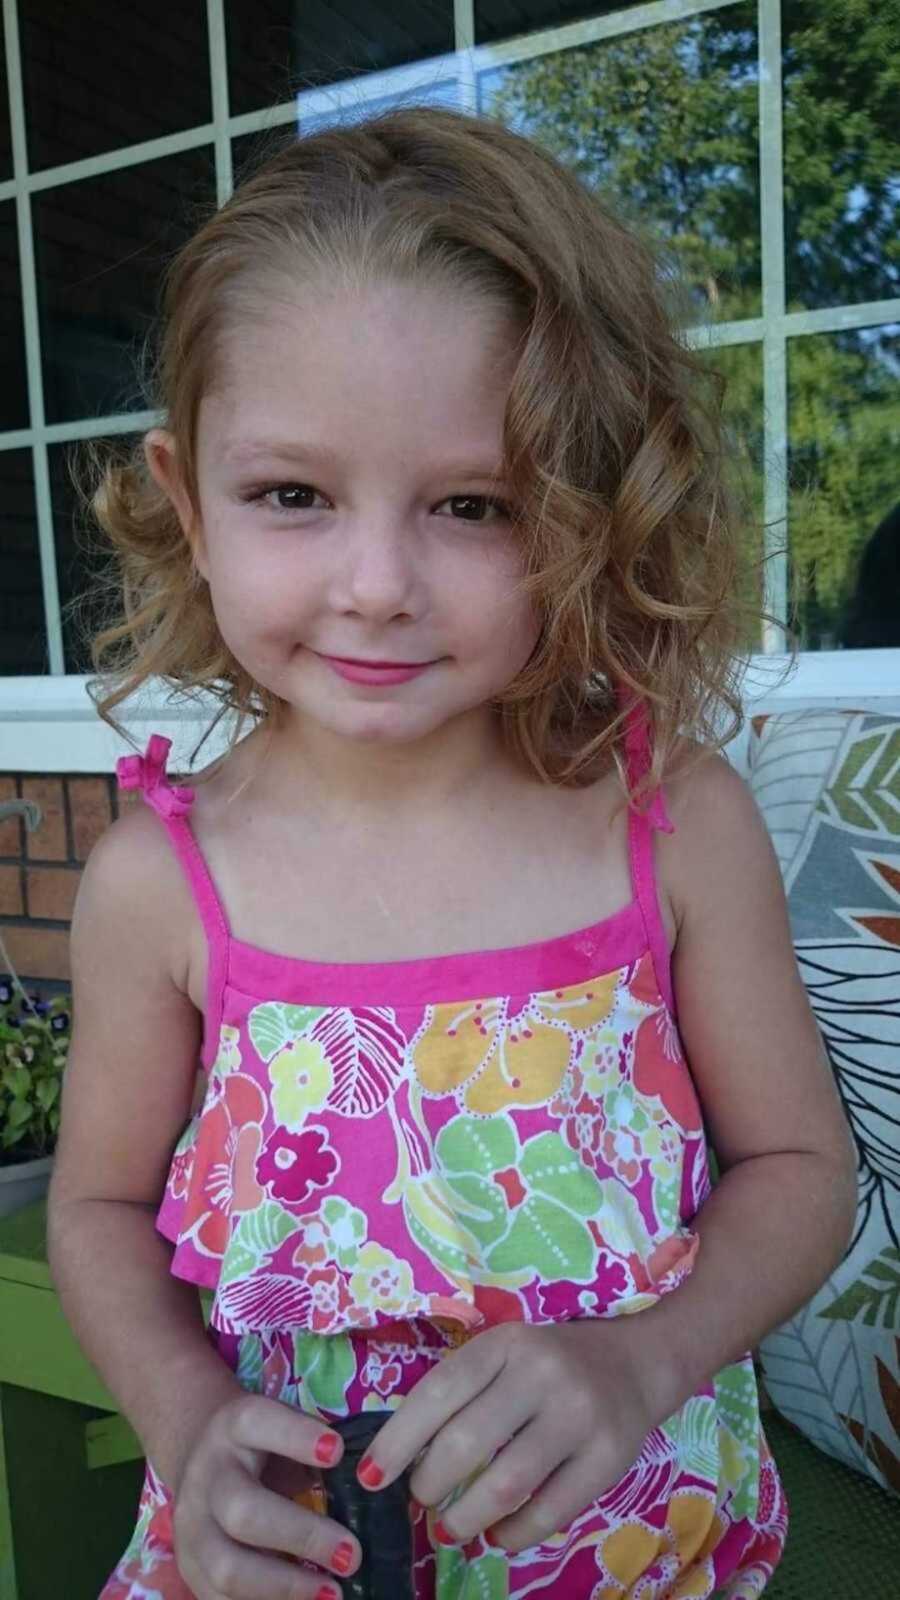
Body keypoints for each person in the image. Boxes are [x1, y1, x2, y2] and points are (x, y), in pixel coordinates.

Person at [47, 105, 857, 1600]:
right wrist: (186, 1416)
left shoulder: (669, 825)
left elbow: (805, 1171)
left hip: (630, 1546)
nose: (375, 586)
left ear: (596, 511)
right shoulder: (161, 883)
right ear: (187, 502)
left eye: (474, 507)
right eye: (293, 495)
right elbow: (95, 1207)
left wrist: (645, 1361)